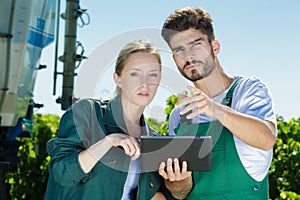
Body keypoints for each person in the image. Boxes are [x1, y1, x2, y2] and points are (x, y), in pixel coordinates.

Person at [44, 40, 190, 200]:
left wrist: (180, 182)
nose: (145, 83)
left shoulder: (154, 141)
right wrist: (108, 141)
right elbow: (61, 173)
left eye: (153, 75)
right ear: (118, 79)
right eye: (135, 74)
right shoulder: (87, 113)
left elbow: (161, 196)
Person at [159, 7, 277, 199]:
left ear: (215, 47)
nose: (188, 56)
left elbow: (266, 139)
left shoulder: (247, 90)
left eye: (195, 44)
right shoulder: (180, 116)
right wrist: (180, 180)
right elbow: (181, 193)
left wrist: (214, 109)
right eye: (179, 50)